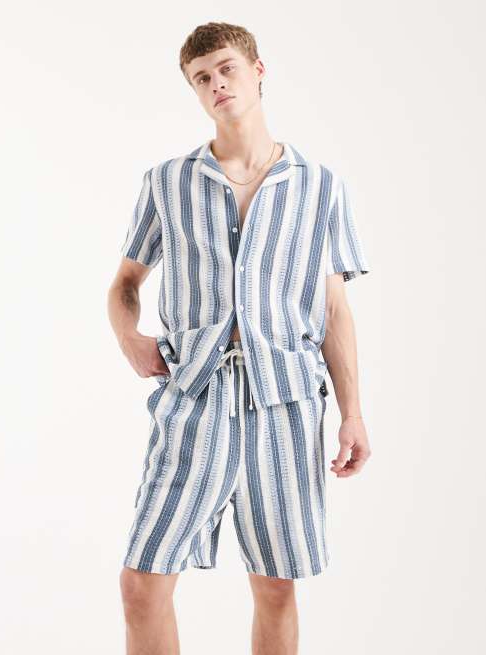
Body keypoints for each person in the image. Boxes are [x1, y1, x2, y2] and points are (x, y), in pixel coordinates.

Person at [107, 20, 372, 655]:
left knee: (276, 587)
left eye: (226, 68)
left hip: (286, 404)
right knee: (142, 583)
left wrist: (352, 413)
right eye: (202, 78)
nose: (217, 84)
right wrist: (130, 337)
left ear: (257, 71)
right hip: (193, 399)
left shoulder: (320, 186)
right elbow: (124, 283)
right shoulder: (168, 182)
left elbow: (334, 309)